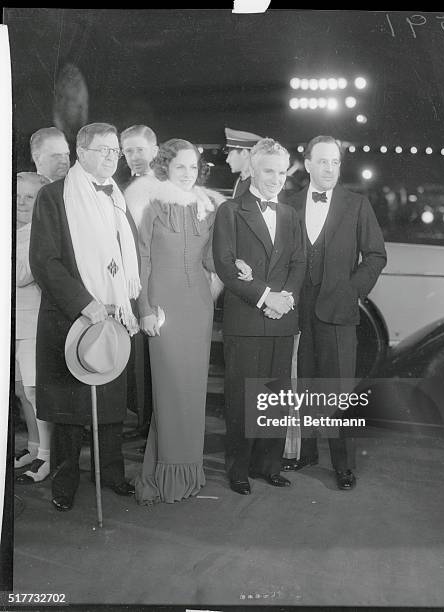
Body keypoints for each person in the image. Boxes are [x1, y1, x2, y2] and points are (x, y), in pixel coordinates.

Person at [29, 122, 141, 512]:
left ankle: (112, 474)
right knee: (69, 409)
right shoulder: (53, 197)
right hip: (69, 318)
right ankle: (65, 481)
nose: (112, 157)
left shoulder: (117, 197)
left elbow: (130, 259)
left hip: (113, 317)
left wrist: (128, 305)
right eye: (104, 150)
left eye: (116, 151)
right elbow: (45, 261)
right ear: (82, 153)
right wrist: (84, 302)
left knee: (109, 401)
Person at [284, 135, 387, 490]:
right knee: (304, 386)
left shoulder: (356, 204)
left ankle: (343, 465)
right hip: (298, 312)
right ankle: (307, 452)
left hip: (339, 313)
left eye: (335, 162)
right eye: (323, 161)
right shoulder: (290, 203)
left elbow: (376, 255)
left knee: (338, 392)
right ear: (308, 164)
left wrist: (352, 291)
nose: (330, 168)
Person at [213, 138, 306, 495]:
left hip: (283, 317)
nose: (276, 179)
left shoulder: (289, 215)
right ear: (252, 169)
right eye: (269, 171)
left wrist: (286, 299)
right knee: (243, 398)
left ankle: (269, 465)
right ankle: (238, 469)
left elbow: (299, 262)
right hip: (247, 320)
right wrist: (266, 296)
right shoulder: (231, 211)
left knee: (277, 398)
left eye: (282, 172)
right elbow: (225, 264)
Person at [134, 138, 224, 504]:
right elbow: (142, 261)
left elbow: (213, 262)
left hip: (198, 308)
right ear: (165, 168)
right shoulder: (150, 204)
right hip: (163, 309)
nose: (188, 174)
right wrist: (145, 309)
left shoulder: (207, 207)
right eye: (180, 167)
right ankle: (166, 476)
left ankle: (185, 472)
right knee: (170, 393)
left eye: (193, 167)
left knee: (191, 392)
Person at [120, 125, 158, 445]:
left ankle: (154, 426)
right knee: (139, 359)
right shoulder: (122, 186)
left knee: (155, 357)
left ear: (154, 151)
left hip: (154, 282)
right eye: (128, 150)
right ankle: (144, 420)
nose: (134, 156)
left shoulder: (161, 188)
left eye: (139, 149)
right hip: (130, 281)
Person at [14, 172, 53, 484]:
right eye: (18, 195)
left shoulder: (37, 232)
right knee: (19, 390)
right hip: (12, 324)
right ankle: (33, 446)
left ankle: (46, 457)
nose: (21, 202)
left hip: (31, 321)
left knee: (33, 390)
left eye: (29, 197)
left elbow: (21, 276)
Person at [224, 127, 262, 198]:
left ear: (244, 153)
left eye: (231, 154)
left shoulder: (258, 183)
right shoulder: (241, 180)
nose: (227, 160)